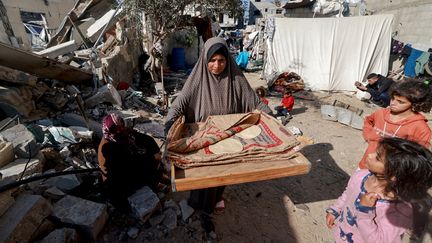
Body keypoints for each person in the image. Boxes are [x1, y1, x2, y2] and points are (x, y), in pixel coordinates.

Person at [165, 37, 271, 214]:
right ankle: (198, 204)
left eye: (221, 60)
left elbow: (256, 103)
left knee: (222, 172)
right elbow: (178, 105)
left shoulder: (236, 78)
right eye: (212, 60)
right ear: (205, 60)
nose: (217, 65)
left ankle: (217, 198)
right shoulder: (197, 80)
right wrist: (168, 125)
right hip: (202, 135)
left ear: (227, 60)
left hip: (228, 135)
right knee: (202, 174)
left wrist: (273, 119)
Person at [326, 137, 432, 243]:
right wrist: (336, 210)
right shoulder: (360, 176)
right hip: (341, 236)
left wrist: (365, 212)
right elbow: (348, 193)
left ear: (394, 175)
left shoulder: (398, 209)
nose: (370, 155)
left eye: (377, 157)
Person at [358, 79, 432, 169]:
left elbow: (418, 156)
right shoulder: (381, 113)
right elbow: (368, 121)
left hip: (389, 174)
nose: (393, 103)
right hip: (365, 165)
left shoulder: (420, 128)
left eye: (400, 102)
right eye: (393, 98)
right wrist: (370, 136)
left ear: (415, 104)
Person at [99, 113, 166, 210]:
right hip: (119, 181)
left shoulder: (121, 133)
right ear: (109, 130)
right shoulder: (108, 147)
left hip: (129, 166)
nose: (120, 129)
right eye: (116, 129)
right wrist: (152, 157)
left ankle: (155, 179)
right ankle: (153, 184)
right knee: (148, 166)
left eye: (121, 126)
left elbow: (146, 139)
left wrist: (155, 150)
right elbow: (130, 164)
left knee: (152, 159)